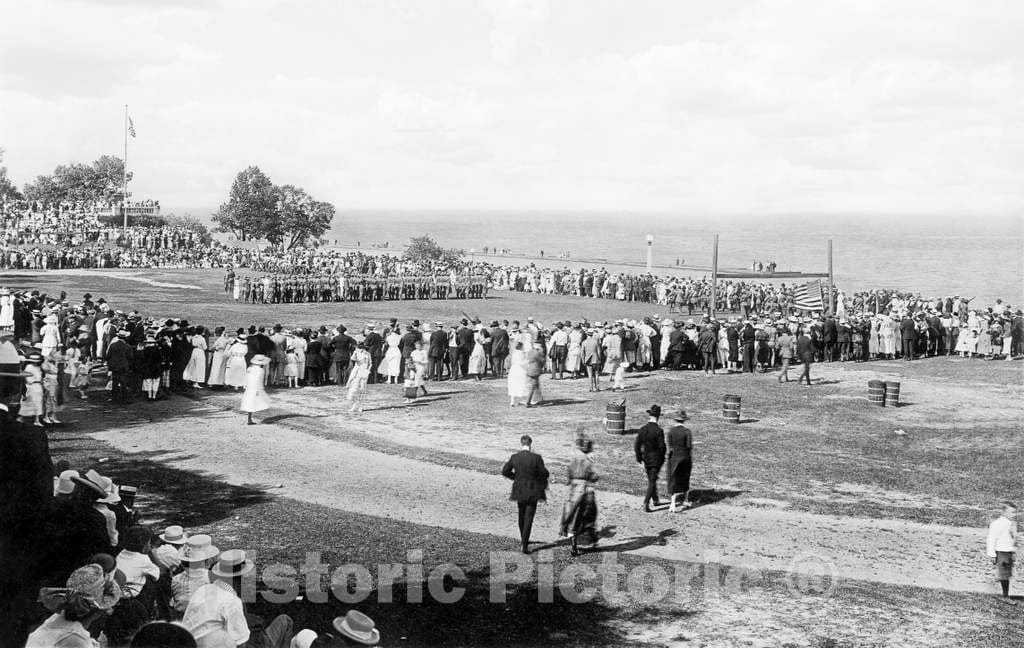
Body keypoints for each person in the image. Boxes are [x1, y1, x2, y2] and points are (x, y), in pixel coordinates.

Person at [181, 549, 293, 648]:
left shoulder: (202, 590)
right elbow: (241, 644)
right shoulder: (231, 601)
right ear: (241, 577)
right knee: (285, 620)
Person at [27, 563, 121, 648]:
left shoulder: (58, 617)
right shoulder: (79, 641)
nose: (110, 611)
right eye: (107, 608)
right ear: (96, 612)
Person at [501, 434, 549, 554]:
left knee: (521, 515)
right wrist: (536, 477)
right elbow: (545, 474)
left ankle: (523, 539)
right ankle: (524, 543)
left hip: (519, 489)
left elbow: (505, 471)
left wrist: (515, 478)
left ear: (521, 443)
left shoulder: (515, 457)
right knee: (529, 517)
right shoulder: (537, 457)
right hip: (533, 490)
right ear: (530, 444)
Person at [559, 428, 599, 556]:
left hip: (573, 492)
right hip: (585, 492)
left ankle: (574, 545)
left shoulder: (573, 461)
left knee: (573, 517)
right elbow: (594, 477)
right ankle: (591, 538)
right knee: (590, 514)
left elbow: (569, 477)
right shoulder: (588, 462)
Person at [632, 404, 666, 512]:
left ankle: (655, 499)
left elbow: (637, 445)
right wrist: (662, 459)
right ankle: (646, 502)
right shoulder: (659, 431)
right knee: (652, 481)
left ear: (649, 415)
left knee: (652, 479)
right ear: (658, 416)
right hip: (656, 460)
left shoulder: (643, 429)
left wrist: (639, 458)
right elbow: (662, 448)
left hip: (646, 459)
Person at [986, 502, 1018, 605]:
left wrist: (1013, 551)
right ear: (1003, 512)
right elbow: (991, 539)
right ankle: (1005, 596)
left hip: (1008, 552)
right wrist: (992, 554)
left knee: (1007, 572)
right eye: (1012, 512)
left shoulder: (1012, 523)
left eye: (1015, 512)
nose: (1014, 514)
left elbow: (1013, 538)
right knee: (1005, 574)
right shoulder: (997, 523)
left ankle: (995, 583)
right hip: (1002, 551)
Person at [665, 409, 693, 512]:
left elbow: (670, 446)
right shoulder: (687, 432)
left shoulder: (671, 431)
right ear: (684, 420)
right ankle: (685, 499)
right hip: (685, 457)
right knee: (685, 478)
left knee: (673, 479)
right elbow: (689, 446)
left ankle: (672, 503)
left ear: (675, 420)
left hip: (674, 457)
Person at [240, 355, 271, 425]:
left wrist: (245, 385)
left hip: (249, 388)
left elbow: (246, 377)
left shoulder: (250, 368)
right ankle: (250, 419)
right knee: (259, 402)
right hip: (255, 388)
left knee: (250, 403)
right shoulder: (260, 370)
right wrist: (259, 389)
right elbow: (258, 380)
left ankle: (249, 418)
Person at [346, 343, 371, 413]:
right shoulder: (356, 353)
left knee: (362, 390)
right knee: (353, 391)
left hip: (364, 372)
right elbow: (353, 359)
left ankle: (360, 406)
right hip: (357, 372)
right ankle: (354, 405)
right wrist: (355, 352)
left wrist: (367, 371)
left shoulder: (367, 354)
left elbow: (370, 363)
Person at [507, 341, 530, 407]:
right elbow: (522, 363)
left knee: (513, 385)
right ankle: (524, 400)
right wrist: (527, 362)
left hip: (513, 370)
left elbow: (513, 361)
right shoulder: (521, 353)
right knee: (522, 384)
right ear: (521, 347)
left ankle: (512, 401)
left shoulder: (514, 353)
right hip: (520, 370)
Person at [525, 342, 546, 407]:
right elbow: (542, 360)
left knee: (536, 386)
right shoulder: (537, 353)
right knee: (533, 387)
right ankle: (528, 402)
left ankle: (540, 399)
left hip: (530, 369)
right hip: (535, 371)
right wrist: (542, 354)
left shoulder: (530, 351)